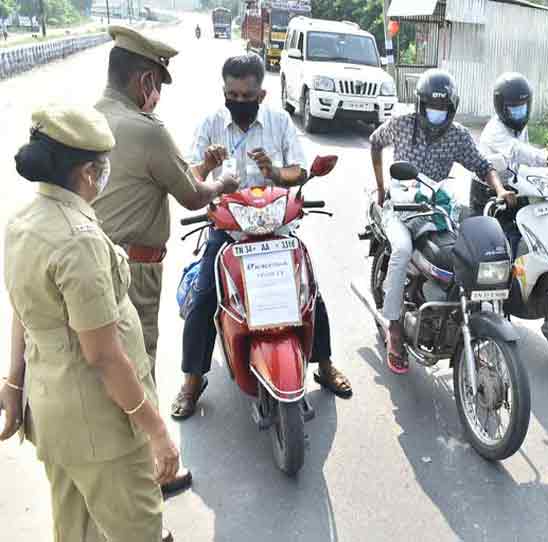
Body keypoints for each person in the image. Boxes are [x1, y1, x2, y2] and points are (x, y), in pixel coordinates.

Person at [1, 105, 178, 542]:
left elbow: (23, 311)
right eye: (103, 169)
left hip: (52, 413)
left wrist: (13, 384)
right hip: (102, 424)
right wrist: (156, 432)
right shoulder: (78, 239)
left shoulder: (24, 221)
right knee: (137, 530)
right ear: (86, 173)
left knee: (76, 530)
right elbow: (102, 355)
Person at [92, 25, 239, 494]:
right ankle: (150, 475)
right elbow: (194, 197)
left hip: (95, 261)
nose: (158, 95)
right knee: (139, 366)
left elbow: (154, 182)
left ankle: (117, 469)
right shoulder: (146, 129)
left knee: (106, 368)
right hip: (134, 272)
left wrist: (204, 170)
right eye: (157, 84)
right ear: (145, 83)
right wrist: (222, 184)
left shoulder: (91, 120)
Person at [171, 54, 352, 420]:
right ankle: (192, 380)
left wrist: (274, 173)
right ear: (224, 91)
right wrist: (206, 165)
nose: (239, 101)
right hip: (229, 231)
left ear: (261, 93)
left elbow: (299, 170)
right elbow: (189, 174)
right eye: (232, 94)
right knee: (206, 296)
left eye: (246, 94)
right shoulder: (211, 124)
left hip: (275, 230)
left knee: (309, 294)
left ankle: (325, 363)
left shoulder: (279, 121)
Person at [370, 68, 516, 373]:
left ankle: (463, 307)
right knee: (400, 250)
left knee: (469, 245)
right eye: (432, 108)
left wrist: (500, 189)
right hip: (399, 205)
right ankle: (394, 326)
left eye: (443, 109)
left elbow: (482, 165)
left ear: (451, 110)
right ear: (421, 106)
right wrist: (382, 187)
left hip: (435, 207)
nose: (437, 114)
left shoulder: (458, 136)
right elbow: (375, 142)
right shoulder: (401, 125)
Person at [472, 71, 548, 256]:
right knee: (493, 246)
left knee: (519, 234)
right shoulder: (495, 129)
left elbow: (525, 155)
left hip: (511, 186)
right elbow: (517, 151)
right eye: (513, 107)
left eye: (522, 106)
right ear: (501, 107)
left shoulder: (520, 126)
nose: (519, 112)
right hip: (488, 190)